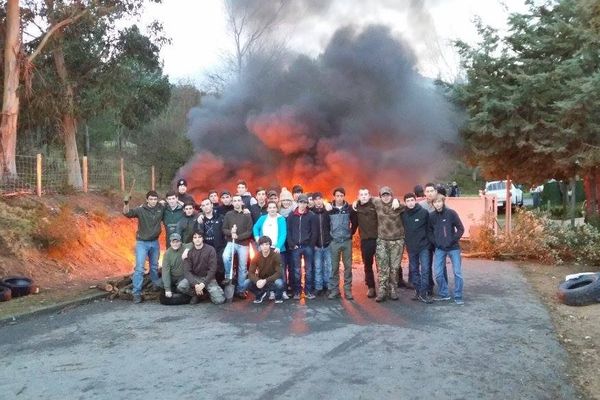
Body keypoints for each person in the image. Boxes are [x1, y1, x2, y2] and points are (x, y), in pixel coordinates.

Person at [122, 190, 165, 304]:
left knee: (154, 267)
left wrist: (163, 202)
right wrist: (126, 203)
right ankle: (136, 293)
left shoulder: (160, 208)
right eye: (151, 199)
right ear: (147, 200)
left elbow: (173, 204)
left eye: (155, 199)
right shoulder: (141, 210)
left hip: (155, 242)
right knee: (140, 268)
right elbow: (127, 213)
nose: (153, 201)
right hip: (142, 243)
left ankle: (156, 286)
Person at [428, 193, 465, 305]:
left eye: (439, 201)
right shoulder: (431, 216)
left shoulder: (451, 213)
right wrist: (436, 243)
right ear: (433, 204)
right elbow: (429, 232)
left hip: (453, 248)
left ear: (443, 202)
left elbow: (460, 229)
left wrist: (452, 240)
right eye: (435, 202)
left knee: (457, 272)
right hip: (440, 248)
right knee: (438, 273)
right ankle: (444, 294)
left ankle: (458, 295)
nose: (438, 204)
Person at [372, 186, 405, 302]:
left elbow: (411, 205)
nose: (386, 197)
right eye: (383, 195)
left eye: (388, 195)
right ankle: (382, 290)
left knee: (394, 268)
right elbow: (364, 199)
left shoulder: (398, 206)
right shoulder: (376, 202)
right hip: (382, 240)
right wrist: (356, 201)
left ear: (392, 195)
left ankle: (393, 289)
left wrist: (398, 201)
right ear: (380, 196)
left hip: (397, 241)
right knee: (382, 267)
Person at [253, 201, 289, 300]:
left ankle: (283, 291)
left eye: (274, 207)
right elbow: (255, 227)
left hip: (278, 249)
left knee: (280, 271)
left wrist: (278, 246)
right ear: (267, 209)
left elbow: (283, 233)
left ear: (277, 209)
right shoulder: (263, 218)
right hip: (265, 249)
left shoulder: (281, 219)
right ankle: (272, 291)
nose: (272, 209)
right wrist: (257, 238)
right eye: (270, 207)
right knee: (269, 271)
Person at [401, 193, 433, 304]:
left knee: (425, 270)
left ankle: (424, 293)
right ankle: (418, 291)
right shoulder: (403, 214)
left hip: (424, 246)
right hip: (411, 247)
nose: (410, 203)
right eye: (408, 201)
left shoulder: (424, 213)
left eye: (412, 200)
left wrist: (428, 242)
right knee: (414, 270)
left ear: (415, 201)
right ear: (405, 202)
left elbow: (429, 228)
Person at [327, 187, 358, 300]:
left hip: (346, 242)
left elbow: (355, 222)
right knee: (334, 268)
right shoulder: (330, 209)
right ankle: (335, 291)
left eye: (341, 196)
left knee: (348, 267)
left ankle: (348, 291)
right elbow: (326, 224)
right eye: (337, 196)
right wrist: (330, 237)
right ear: (334, 196)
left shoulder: (349, 209)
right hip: (334, 242)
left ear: (344, 196)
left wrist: (351, 233)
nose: (339, 198)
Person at [222, 195, 254, 298]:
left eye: (238, 201)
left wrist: (238, 236)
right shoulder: (228, 214)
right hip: (231, 242)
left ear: (242, 202)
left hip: (243, 244)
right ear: (232, 203)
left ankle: (241, 289)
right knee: (225, 256)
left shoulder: (247, 215)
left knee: (242, 267)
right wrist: (231, 233)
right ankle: (228, 276)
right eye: (234, 201)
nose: (236, 202)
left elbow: (249, 231)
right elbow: (224, 229)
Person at [182, 231, 226, 304]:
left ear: (203, 238)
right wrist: (195, 285)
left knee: (219, 300)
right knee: (181, 286)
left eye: (199, 237)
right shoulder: (189, 252)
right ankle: (197, 294)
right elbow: (187, 271)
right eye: (195, 237)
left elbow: (213, 269)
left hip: (208, 278)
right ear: (192, 240)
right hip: (195, 277)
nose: (197, 239)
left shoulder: (210, 250)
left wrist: (203, 283)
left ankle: (207, 292)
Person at [286, 194, 316, 299]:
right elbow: (288, 231)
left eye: (305, 203)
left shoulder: (311, 215)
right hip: (296, 247)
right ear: (298, 203)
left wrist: (311, 245)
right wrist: (291, 244)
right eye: (301, 202)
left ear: (307, 204)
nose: (303, 205)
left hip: (307, 246)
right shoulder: (291, 215)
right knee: (296, 270)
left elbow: (314, 232)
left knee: (309, 270)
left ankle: (308, 291)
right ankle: (297, 291)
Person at [244, 236, 285, 304]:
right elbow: (251, 273)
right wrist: (257, 281)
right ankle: (260, 294)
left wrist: (266, 280)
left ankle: (278, 297)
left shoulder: (276, 256)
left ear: (270, 245)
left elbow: (279, 273)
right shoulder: (256, 256)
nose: (265, 246)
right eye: (262, 245)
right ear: (260, 246)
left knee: (279, 283)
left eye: (266, 244)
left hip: (273, 280)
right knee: (246, 283)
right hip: (261, 280)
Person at [354, 188, 378, 298]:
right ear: (358, 196)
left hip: (378, 239)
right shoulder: (356, 207)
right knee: (368, 265)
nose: (364, 196)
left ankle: (384, 287)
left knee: (381, 266)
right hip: (365, 241)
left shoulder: (376, 205)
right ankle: (371, 287)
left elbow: (386, 201)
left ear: (369, 196)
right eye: (361, 194)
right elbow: (354, 223)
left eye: (366, 194)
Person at [195, 198, 226, 284]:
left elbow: (225, 232)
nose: (206, 207)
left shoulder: (220, 218)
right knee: (207, 268)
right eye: (203, 205)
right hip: (206, 248)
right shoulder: (200, 220)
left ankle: (221, 285)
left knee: (220, 267)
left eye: (207, 204)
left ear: (212, 205)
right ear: (201, 207)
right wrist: (199, 223)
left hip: (219, 247)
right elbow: (197, 233)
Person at [311, 192, 332, 296]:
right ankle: (318, 287)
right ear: (313, 201)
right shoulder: (311, 213)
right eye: (316, 199)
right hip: (316, 246)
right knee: (318, 267)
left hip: (328, 244)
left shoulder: (327, 211)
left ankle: (328, 286)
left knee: (329, 267)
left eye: (320, 199)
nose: (318, 201)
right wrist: (312, 243)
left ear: (322, 200)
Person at [161, 233, 191, 298]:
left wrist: (186, 250)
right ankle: (172, 289)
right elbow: (165, 271)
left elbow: (192, 244)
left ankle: (193, 295)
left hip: (183, 276)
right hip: (172, 277)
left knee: (182, 286)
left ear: (180, 242)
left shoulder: (184, 247)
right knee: (158, 284)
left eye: (177, 242)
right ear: (170, 243)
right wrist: (167, 289)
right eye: (173, 242)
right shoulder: (167, 254)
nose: (175, 244)